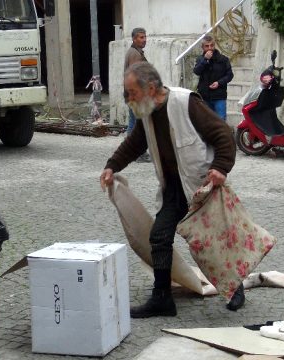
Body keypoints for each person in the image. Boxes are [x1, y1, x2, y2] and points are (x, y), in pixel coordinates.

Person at [100, 62, 244, 318]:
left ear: (151, 88)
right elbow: (135, 143)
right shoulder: (147, 112)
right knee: (159, 236)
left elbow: (223, 133)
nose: (129, 99)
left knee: (212, 241)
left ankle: (234, 288)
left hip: (200, 186)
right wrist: (112, 166)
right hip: (173, 188)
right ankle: (162, 298)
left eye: (132, 93)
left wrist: (221, 167)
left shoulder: (185, 102)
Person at [124, 27, 151, 162]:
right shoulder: (134, 54)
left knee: (134, 123)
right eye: (141, 37)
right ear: (134, 39)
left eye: (145, 37)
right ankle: (136, 153)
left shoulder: (135, 52)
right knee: (137, 125)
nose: (144, 40)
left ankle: (132, 152)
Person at [193, 35, 234, 122]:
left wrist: (219, 83)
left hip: (219, 96)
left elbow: (230, 75)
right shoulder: (200, 59)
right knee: (206, 121)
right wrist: (205, 60)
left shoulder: (223, 59)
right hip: (204, 96)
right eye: (207, 46)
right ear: (203, 47)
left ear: (214, 45)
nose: (210, 48)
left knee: (221, 121)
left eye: (212, 45)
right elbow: (196, 71)